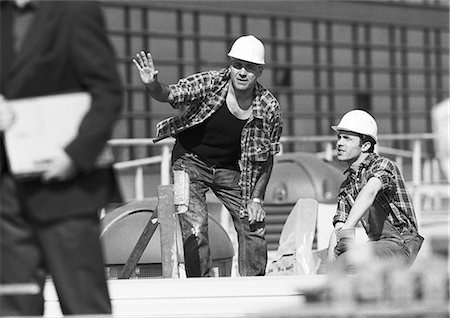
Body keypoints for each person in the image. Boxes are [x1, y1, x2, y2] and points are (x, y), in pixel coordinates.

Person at [0, 0, 122, 315]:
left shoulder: (75, 10)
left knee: (84, 305)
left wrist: (75, 156)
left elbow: (107, 93)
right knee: (14, 306)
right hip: (6, 196)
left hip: (67, 188)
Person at [133, 35, 283, 277]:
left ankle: (254, 288)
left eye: (250, 68)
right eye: (237, 66)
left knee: (253, 224)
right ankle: (201, 286)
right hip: (190, 162)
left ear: (260, 71)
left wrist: (256, 200)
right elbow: (171, 94)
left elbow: (267, 157)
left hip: (232, 171)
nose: (242, 73)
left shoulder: (268, 108)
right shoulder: (211, 82)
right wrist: (152, 84)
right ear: (230, 65)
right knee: (195, 227)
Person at [327, 109, 424, 271]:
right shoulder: (347, 186)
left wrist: (347, 230)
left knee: (350, 260)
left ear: (365, 145)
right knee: (331, 262)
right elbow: (338, 228)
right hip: (377, 245)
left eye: (347, 138)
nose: (339, 143)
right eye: (339, 137)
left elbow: (370, 191)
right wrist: (331, 269)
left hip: (401, 244)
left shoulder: (384, 165)